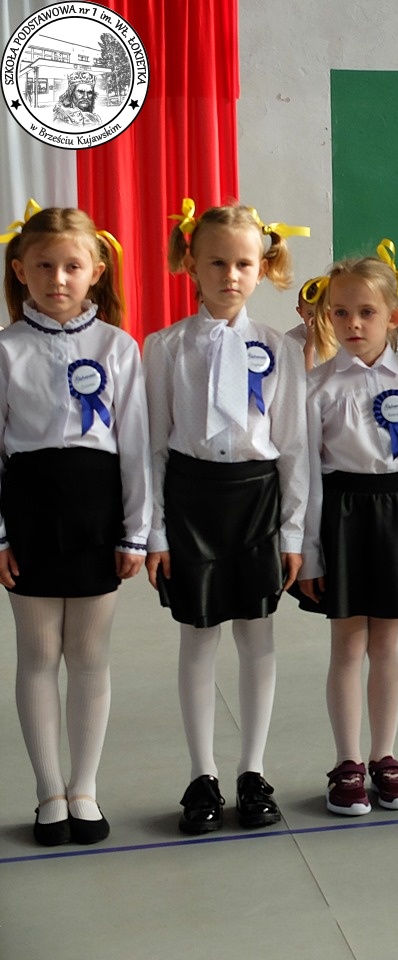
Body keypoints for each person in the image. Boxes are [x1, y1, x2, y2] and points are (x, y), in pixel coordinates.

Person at [146, 200, 308, 833]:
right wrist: (155, 530)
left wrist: (292, 531)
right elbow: (154, 447)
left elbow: (292, 448)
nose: (231, 275)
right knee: (198, 635)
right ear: (191, 263)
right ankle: (201, 775)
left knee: (257, 635)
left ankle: (252, 771)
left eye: (244, 264)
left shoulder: (279, 349)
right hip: (191, 500)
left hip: (257, 501)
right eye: (217, 263)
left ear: (262, 267)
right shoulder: (164, 348)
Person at [0, 204, 148, 845]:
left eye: (71, 266)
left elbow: (136, 445)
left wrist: (136, 531)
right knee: (37, 654)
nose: (57, 279)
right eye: (43, 266)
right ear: (19, 271)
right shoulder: (6, 349)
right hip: (29, 510)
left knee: (88, 655)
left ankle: (84, 789)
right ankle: (48, 793)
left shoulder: (118, 347)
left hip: (97, 511)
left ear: (96, 270)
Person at [295, 257, 398, 815]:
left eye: (366, 312)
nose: (353, 323)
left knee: (387, 643)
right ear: (326, 317)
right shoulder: (316, 388)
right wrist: (311, 554)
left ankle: (385, 757)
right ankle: (347, 762)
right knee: (347, 644)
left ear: (394, 317)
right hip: (342, 516)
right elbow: (307, 478)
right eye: (341, 312)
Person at [286, 276, 325, 370]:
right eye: (310, 314)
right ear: (300, 312)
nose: (317, 319)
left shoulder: (341, 335)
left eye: (322, 313)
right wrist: (310, 346)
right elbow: (300, 376)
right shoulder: (292, 339)